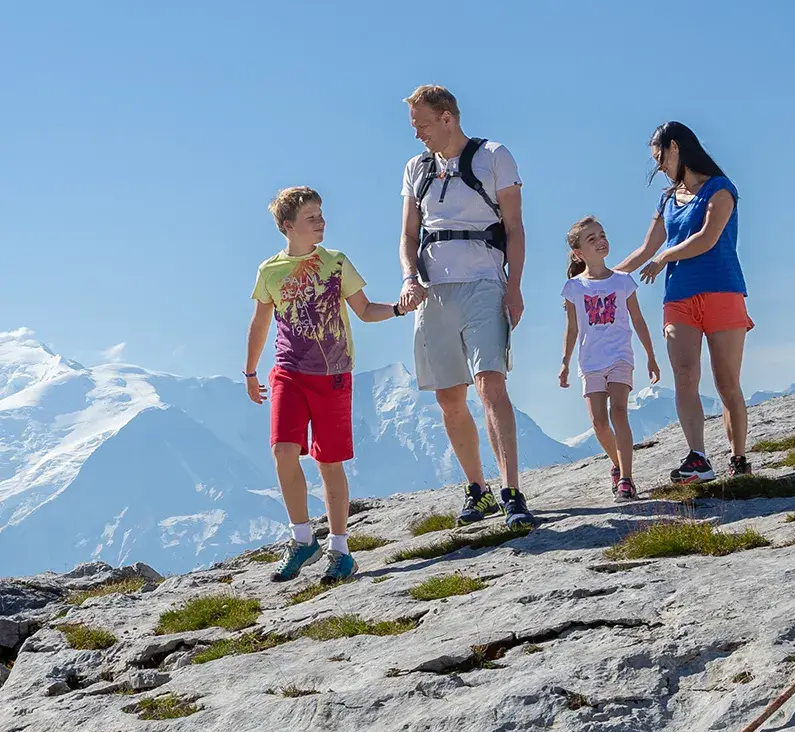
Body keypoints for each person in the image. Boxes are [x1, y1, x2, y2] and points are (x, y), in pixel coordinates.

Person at [245, 186, 403, 584]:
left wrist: (401, 307)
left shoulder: (336, 263)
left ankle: (340, 550)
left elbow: (365, 311)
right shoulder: (270, 271)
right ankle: (302, 540)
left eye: (321, 214)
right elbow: (260, 323)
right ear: (288, 226)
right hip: (288, 372)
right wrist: (249, 372)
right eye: (312, 217)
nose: (321, 222)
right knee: (283, 451)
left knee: (328, 463)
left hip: (333, 374)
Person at [398, 85, 538, 531]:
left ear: (447, 118)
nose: (417, 134)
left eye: (421, 124)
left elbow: (514, 228)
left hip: (483, 282)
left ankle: (511, 490)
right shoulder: (416, 169)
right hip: (433, 289)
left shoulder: (494, 156)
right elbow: (407, 236)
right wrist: (409, 277)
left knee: (490, 385)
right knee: (448, 397)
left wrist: (513, 287)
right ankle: (477, 489)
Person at [617, 122, 753, 483]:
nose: (658, 166)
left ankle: (738, 457)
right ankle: (698, 457)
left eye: (660, 157)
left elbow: (707, 239)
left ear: (675, 148)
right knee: (684, 377)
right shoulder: (666, 199)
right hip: (678, 298)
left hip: (722, 291)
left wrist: (664, 258)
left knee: (726, 382)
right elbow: (645, 248)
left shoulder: (721, 189)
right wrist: (605, 277)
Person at [559, 216, 660, 501]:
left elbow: (638, 320)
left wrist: (651, 356)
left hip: (620, 357)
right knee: (599, 423)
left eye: (602, 235)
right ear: (579, 253)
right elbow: (572, 327)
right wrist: (565, 362)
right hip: (590, 362)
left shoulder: (623, 282)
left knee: (619, 412)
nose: (601, 241)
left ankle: (627, 479)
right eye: (592, 239)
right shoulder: (574, 288)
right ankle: (616, 465)